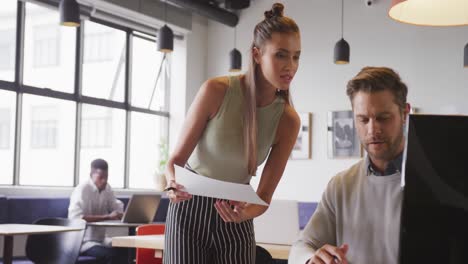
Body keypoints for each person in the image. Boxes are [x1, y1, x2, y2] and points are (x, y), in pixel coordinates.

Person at [163, 3, 301, 264]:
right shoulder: (216, 91)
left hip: (237, 214)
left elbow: (264, 197)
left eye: (296, 56)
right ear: (257, 54)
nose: (290, 66)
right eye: (281, 55)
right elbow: (174, 162)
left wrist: (246, 213)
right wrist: (171, 184)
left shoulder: (288, 120)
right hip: (188, 209)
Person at [289, 67, 411, 264]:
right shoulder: (341, 186)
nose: (373, 130)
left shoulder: (435, 183)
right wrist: (311, 259)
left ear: (405, 113)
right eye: (363, 119)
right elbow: (300, 247)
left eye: (383, 118)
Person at [68, 158, 127, 264]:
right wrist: (107, 217)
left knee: (125, 250)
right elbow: (75, 218)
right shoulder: (82, 190)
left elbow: (115, 205)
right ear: (91, 174)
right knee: (111, 255)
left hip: (101, 239)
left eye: (106, 177)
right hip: (83, 242)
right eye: (101, 177)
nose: (104, 180)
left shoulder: (107, 188)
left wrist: (121, 213)